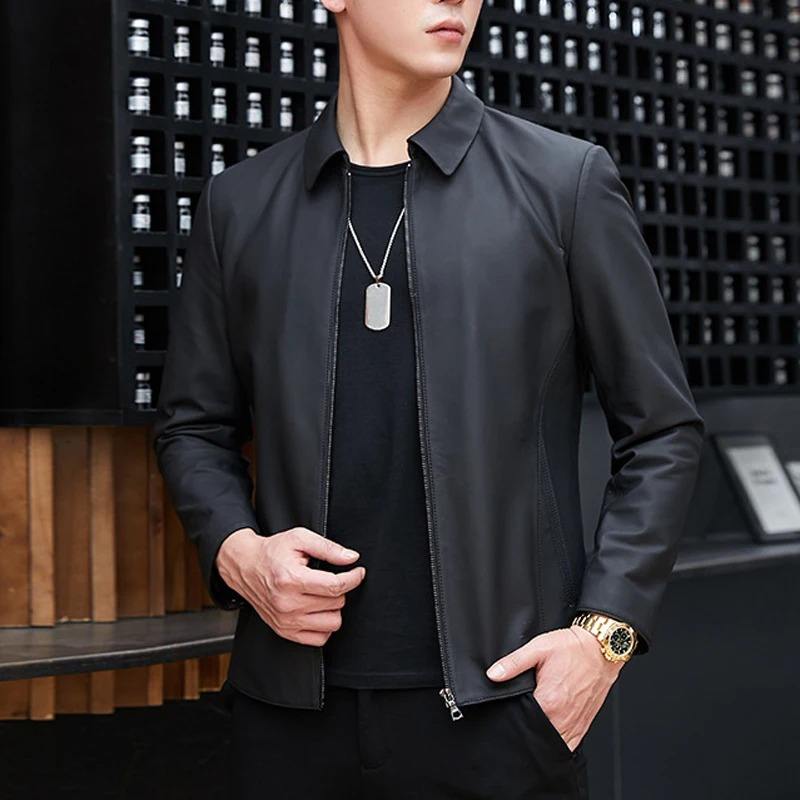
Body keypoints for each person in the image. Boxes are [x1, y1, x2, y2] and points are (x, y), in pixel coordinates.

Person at [152, 1, 705, 797]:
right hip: (287, 716)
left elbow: (661, 430)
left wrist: (604, 637)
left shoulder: (563, 182)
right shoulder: (240, 204)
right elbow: (193, 428)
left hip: (502, 711)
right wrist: (238, 553)